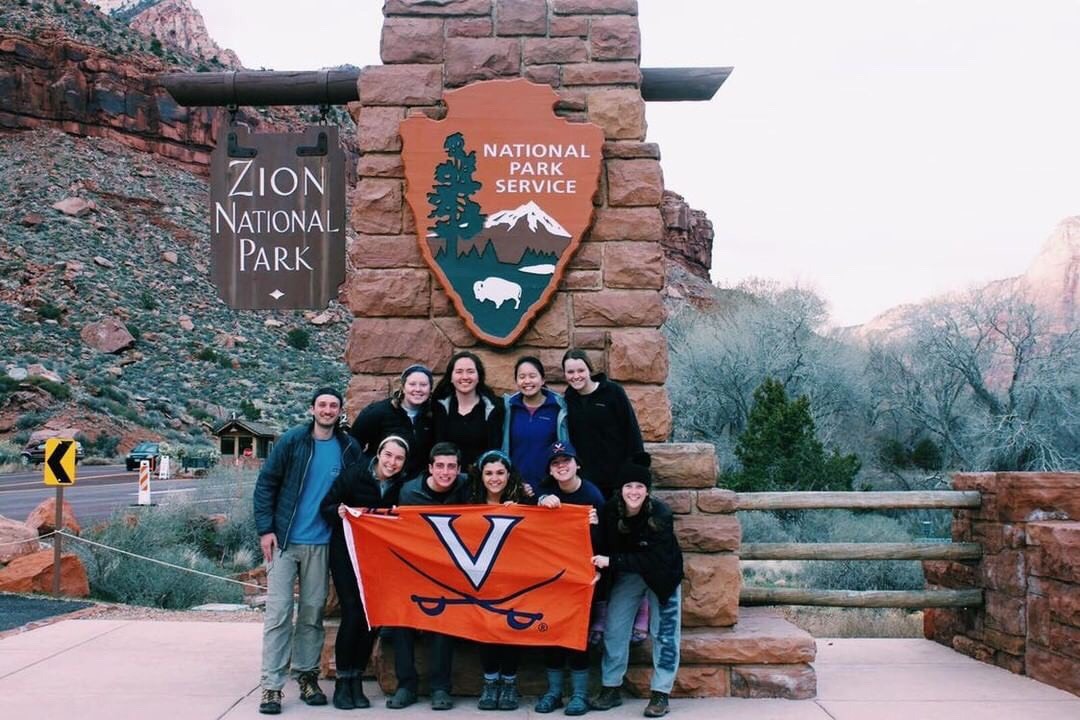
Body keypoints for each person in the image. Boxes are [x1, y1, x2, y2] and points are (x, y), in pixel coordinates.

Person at [253, 386, 362, 715]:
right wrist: (265, 529)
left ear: (340, 411)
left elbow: (361, 487)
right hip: (285, 541)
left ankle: (307, 676)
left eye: (333, 405)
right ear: (312, 409)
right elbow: (266, 484)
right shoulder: (294, 441)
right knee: (279, 613)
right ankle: (271, 686)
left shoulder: (348, 448)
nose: (327, 410)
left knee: (312, 614)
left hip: (323, 542)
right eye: (322, 405)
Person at [562, 348, 649, 645]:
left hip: (620, 483)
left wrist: (635, 476)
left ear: (589, 369)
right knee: (597, 549)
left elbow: (632, 432)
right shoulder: (569, 400)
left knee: (627, 544)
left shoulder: (612, 392)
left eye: (579, 370)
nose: (575, 376)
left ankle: (641, 611)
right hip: (589, 487)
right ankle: (600, 613)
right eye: (570, 372)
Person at [319, 435, 410, 710]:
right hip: (347, 551)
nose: (392, 462)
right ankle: (342, 682)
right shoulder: (354, 475)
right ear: (379, 454)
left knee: (372, 617)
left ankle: (357, 679)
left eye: (398, 458)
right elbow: (326, 508)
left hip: (379, 557)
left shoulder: (402, 486)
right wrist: (341, 512)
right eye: (389, 455)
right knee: (353, 612)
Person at [589, 454, 684, 718]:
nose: (634, 491)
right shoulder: (610, 510)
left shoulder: (661, 514)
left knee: (664, 633)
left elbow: (655, 559)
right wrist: (594, 531)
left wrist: (613, 561)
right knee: (614, 628)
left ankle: (661, 693)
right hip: (629, 573)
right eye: (629, 486)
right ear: (621, 489)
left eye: (640, 487)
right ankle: (611, 687)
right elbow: (604, 545)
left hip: (663, 575)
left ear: (647, 490)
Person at [387, 441, 470, 711]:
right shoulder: (409, 493)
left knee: (443, 620)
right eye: (440, 466)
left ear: (459, 469)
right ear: (430, 468)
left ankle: (440, 687)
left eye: (451, 467)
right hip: (413, 567)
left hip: (450, 571)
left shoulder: (468, 487)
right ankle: (406, 685)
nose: (446, 472)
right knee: (402, 622)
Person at [534, 441, 605, 716]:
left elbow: (603, 541)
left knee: (576, 635)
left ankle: (579, 693)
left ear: (577, 465)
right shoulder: (546, 492)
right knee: (550, 633)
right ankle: (553, 692)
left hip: (580, 577)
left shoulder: (592, 495)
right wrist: (540, 501)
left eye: (566, 461)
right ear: (550, 471)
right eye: (555, 463)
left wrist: (595, 528)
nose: (561, 466)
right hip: (550, 577)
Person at [468, 450, 530, 711]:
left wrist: (525, 512)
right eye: (489, 473)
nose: (495, 478)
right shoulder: (469, 503)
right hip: (481, 577)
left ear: (509, 475)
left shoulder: (524, 500)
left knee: (510, 629)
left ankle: (509, 682)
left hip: (514, 577)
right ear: (481, 476)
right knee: (487, 629)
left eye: (500, 473)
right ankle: (490, 681)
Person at [349, 364, 434, 480]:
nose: (418, 389)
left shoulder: (435, 414)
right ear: (403, 387)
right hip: (381, 482)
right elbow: (353, 446)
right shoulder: (377, 412)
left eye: (423, 385)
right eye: (412, 384)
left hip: (416, 486)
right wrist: (366, 473)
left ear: (430, 389)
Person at [502, 356, 569, 493]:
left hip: (550, 486)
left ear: (542, 379)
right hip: (515, 487)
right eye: (522, 377)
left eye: (532, 376)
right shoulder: (508, 408)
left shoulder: (558, 407)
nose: (527, 381)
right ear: (516, 381)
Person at [432, 351, 504, 471]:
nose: (465, 377)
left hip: (482, 480)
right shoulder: (440, 408)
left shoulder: (493, 408)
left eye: (470, 371)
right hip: (448, 478)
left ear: (479, 376)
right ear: (451, 377)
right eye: (459, 372)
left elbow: (494, 451)